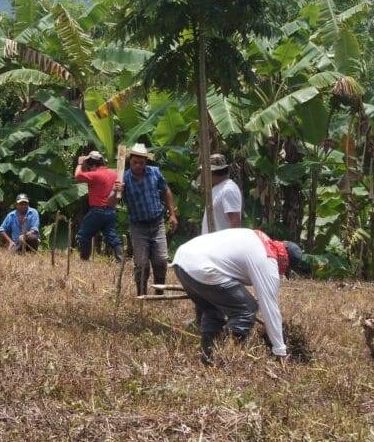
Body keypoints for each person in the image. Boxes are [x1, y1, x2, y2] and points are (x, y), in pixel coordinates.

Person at [172, 228, 295, 365]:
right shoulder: (268, 260)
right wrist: (279, 349)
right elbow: (270, 309)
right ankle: (223, 353)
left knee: (213, 311)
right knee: (246, 310)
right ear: (285, 262)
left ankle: (208, 357)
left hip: (181, 262)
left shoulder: (260, 239)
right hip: (203, 269)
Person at [112, 143, 178, 295]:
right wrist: (116, 191)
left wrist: (172, 214)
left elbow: (166, 190)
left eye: (141, 163)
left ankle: (159, 293)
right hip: (138, 226)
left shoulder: (154, 172)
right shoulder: (124, 178)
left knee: (161, 261)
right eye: (135, 162)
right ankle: (141, 294)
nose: (138, 165)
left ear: (145, 162)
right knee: (141, 264)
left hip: (157, 223)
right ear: (130, 161)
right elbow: (111, 202)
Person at [74, 150, 123, 261]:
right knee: (112, 236)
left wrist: (80, 163)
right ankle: (121, 259)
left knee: (83, 235)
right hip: (111, 211)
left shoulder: (95, 174)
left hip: (97, 211)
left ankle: (84, 259)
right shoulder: (113, 173)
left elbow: (78, 176)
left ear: (93, 165)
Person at [201, 153, 242, 234]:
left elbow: (235, 221)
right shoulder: (217, 188)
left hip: (221, 244)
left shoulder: (229, 189)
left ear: (211, 172)